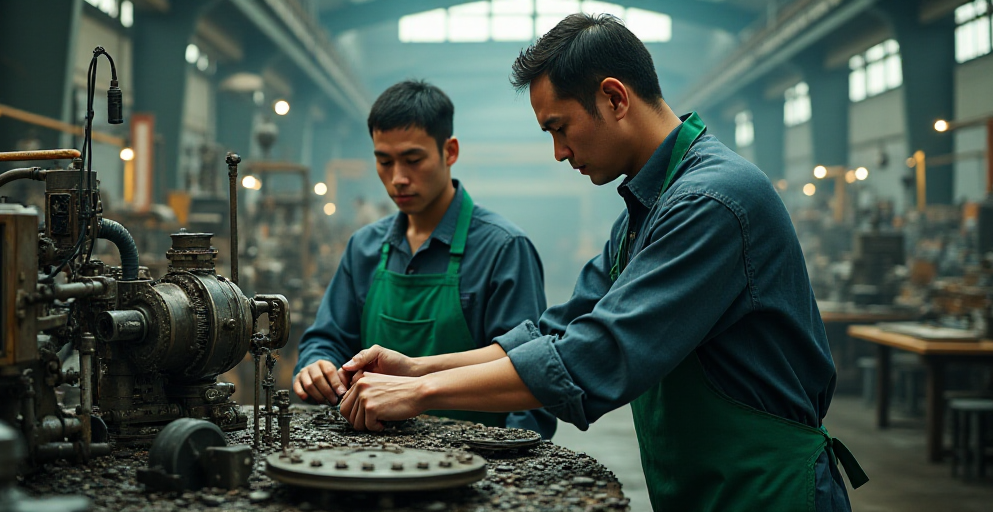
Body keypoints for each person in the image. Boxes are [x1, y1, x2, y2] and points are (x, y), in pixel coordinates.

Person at [335, 14, 867, 511]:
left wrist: (418, 393)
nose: (559, 152)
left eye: (560, 127)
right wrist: (420, 367)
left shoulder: (711, 201)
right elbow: (558, 329)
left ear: (614, 98)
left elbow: (599, 354)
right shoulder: (648, 208)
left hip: (770, 490)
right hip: (707, 487)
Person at [292, 80, 555, 438]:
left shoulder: (503, 249)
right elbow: (328, 337)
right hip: (371, 455)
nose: (398, 178)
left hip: (476, 459)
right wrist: (317, 364)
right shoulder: (364, 248)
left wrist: (511, 461)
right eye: (384, 162)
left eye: (413, 160)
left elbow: (529, 379)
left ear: (449, 151)